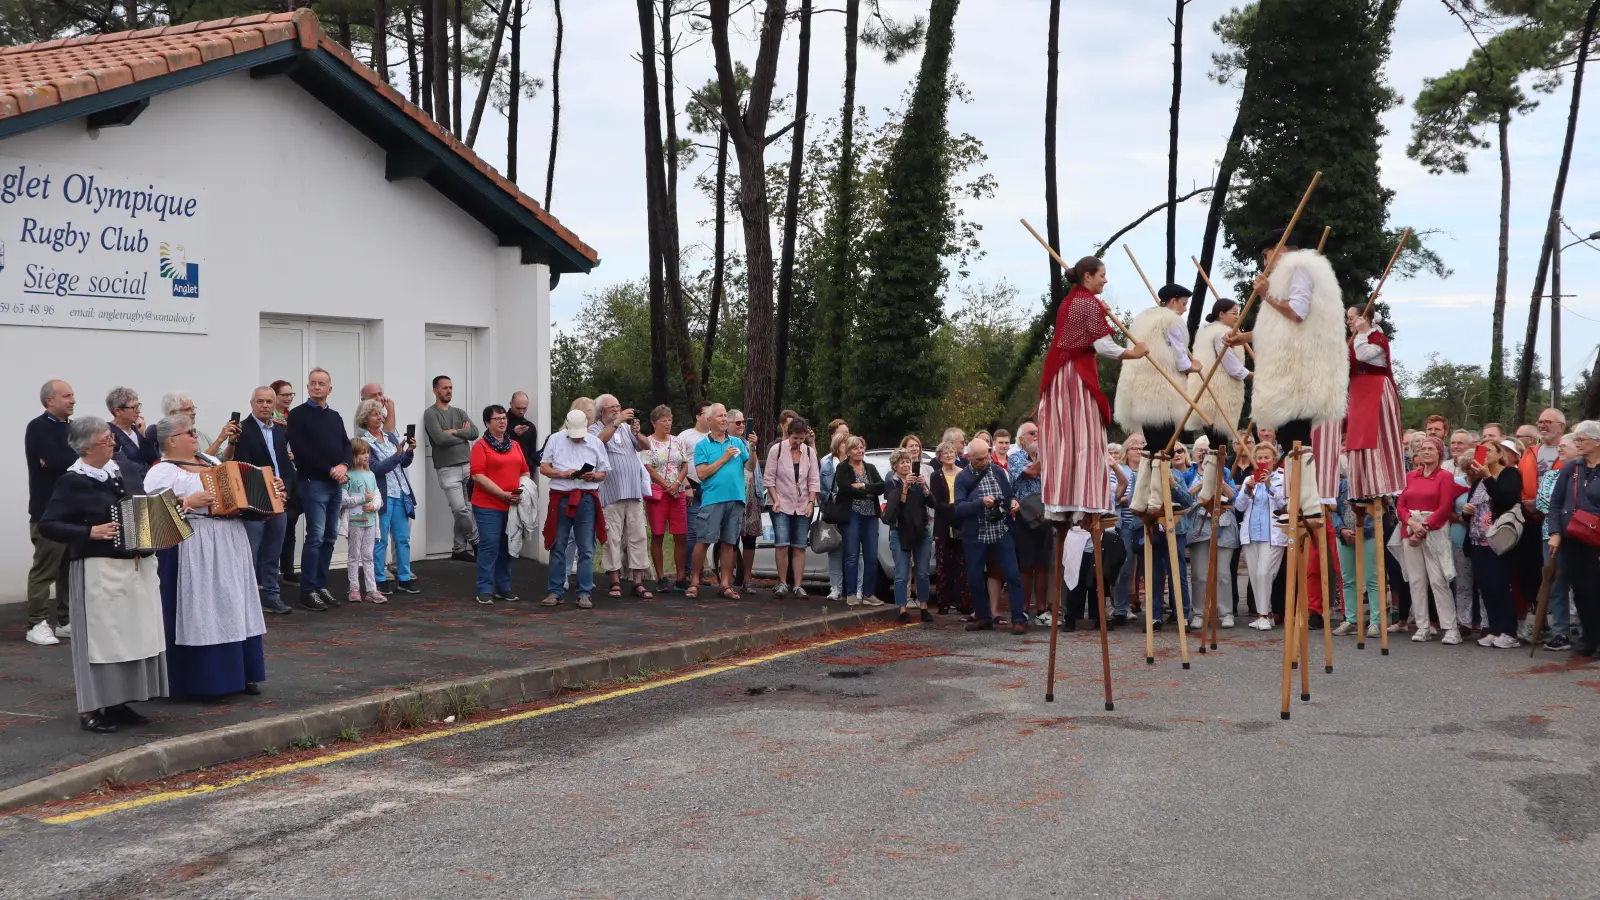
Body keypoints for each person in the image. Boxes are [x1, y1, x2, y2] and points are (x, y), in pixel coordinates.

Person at [39, 417, 168, 733]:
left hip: (134, 565)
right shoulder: (72, 481)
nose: (113, 442)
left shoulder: (122, 468)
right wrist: (89, 531)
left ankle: (119, 702)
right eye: (106, 439)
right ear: (86, 447)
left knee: (130, 635)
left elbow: (141, 505)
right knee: (101, 639)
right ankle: (91, 708)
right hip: (99, 569)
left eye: (111, 438)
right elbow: (48, 525)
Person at [146, 414, 272, 698]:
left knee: (234, 603)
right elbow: (152, 518)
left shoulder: (212, 462)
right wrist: (190, 502)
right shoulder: (162, 471)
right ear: (171, 440)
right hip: (196, 542)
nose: (195, 435)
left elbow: (240, 493)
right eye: (189, 432)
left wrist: (266, 497)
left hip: (230, 540)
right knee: (202, 607)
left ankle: (241, 674)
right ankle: (204, 680)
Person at [1228, 229, 1349, 519]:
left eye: (1266, 254)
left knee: (1297, 437)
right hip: (1296, 363)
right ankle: (1298, 501)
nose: (1264, 261)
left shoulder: (1297, 269)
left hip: (1299, 366)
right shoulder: (1299, 271)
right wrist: (1243, 338)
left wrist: (1265, 294)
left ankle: (1304, 503)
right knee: (1292, 436)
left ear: (1278, 250)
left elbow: (1297, 312)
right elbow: (1281, 328)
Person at [1039, 257, 1148, 525]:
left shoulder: (1073, 300)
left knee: (1066, 438)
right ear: (1087, 276)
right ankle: (1082, 502)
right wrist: (1133, 353)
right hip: (1075, 375)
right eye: (1102, 275)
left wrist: (1099, 309)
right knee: (1084, 437)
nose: (1105, 280)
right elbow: (1103, 345)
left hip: (1063, 374)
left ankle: (1062, 501)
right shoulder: (1086, 302)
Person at [1115, 283, 1194, 515]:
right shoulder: (1171, 321)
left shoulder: (1142, 320)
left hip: (1139, 395)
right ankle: (1157, 499)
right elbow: (1181, 359)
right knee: (1164, 450)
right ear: (1172, 301)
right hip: (1163, 395)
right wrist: (1194, 367)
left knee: (1152, 448)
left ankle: (1141, 499)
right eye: (1183, 304)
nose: (1184, 310)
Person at [286, 368, 351, 612]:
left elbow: (345, 443)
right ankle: (308, 590)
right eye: (312, 383)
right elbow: (301, 450)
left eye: (321, 383)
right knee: (315, 536)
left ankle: (321, 585)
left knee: (330, 537)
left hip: (335, 484)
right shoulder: (298, 415)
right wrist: (329, 469)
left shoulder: (334, 416)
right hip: (313, 483)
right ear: (307, 387)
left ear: (329, 389)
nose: (316, 387)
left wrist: (344, 465)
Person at [232, 387, 297, 615]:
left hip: (278, 501)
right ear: (252, 404)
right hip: (254, 502)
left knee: (273, 552)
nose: (265, 406)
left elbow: (286, 467)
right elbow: (241, 466)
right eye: (260, 401)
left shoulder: (279, 432)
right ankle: (246, 602)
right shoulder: (244, 431)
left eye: (269, 401)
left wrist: (285, 487)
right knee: (249, 554)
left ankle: (271, 596)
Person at [1396, 435, 1466, 643]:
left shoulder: (1445, 477)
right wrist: (1412, 524)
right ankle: (1422, 626)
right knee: (1417, 581)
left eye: (1431, 449)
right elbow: (1400, 505)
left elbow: (1445, 507)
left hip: (1434, 530)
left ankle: (1450, 628)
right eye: (1423, 448)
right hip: (1410, 530)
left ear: (1439, 453)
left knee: (1438, 579)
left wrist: (1423, 528)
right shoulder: (1410, 476)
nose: (1426, 452)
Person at [954, 438, 1027, 634]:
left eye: (986, 457)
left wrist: (1013, 503)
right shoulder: (963, 478)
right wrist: (980, 503)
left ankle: (1019, 618)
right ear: (969, 457)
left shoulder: (996, 471)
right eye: (979, 459)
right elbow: (959, 508)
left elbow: (1010, 494)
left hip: (1001, 530)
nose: (984, 462)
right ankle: (983, 616)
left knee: (1012, 574)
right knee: (975, 577)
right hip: (976, 535)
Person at [24, 379, 77, 646]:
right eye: (66, 396)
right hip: (47, 511)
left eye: (73, 395)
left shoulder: (72, 428)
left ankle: (65, 621)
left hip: (72, 511)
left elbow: (70, 459)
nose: (73, 400)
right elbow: (57, 460)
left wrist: (68, 459)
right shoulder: (38, 427)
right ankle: (36, 623)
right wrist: (74, 458)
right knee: (45, 569)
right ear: (49, 401)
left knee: (69, 568)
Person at [540, 410, 609, 607]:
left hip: (586, 497)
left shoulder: (595, 442)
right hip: (561, 496)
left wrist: (592, 476)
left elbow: (603, 472)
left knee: (586, 547)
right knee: (558, 544)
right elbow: (544, 467)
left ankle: (584, 592)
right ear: (567, 426)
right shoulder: (555, 439)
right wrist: (564, 474)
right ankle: (555, 590)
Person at [1186, 298, 1250, 503]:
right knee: (1218, 444)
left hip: (1206, 394)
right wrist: (1253, 375)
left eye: (1238, 312)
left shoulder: (1205, 333)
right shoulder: (1221, 334)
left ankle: (1209, 491)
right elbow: (1232, 366)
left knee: (1216, 444)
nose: (1237, 316)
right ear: (1221, 315)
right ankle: (1208, 491)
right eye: (1233, 312)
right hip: (1217, 395)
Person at [591, 395, 653, 601]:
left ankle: (637, 581)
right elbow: (598, 443)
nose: (617, 410)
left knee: (638, 537)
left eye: (619, 406)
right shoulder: (595, 429)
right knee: (612, 539)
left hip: (633, 493)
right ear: (601, 411)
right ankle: (615, 580)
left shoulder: (626, 429)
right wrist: (617, 423)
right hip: (611, 494)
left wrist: (638, 432)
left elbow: (646, 446)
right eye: (612, 408)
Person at [1546, 420, 1600, 658]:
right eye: (1575, 440)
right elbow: (1555, 503)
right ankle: (1588, 638)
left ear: (1597, 442)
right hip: (1573, 538)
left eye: (1581, 440)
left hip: (1597, 539)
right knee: (1581, 590)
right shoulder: (1572, 468)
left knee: (1596, 589)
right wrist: (1555, 533)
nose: (1576, 444)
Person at [468, 405, 532, 605]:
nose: (503, 421)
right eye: (497, 419)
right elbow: (478, 476)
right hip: (488, 505)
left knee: (507, 546)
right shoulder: (480, 447)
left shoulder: (514, 445)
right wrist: (502, 494)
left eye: (504, 418)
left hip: (511, 505)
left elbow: (524, 471)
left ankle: (504, 587)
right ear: (487, 422)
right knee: (489, 546)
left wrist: (521, 490)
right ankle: (485, 589)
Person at [1463, 439, 1524, 647]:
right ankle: (1495, 629)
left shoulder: (1510, 474)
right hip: (1477, 540)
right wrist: (1465, 511)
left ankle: (1509, 632)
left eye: (1489, 450)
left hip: (1499, 540)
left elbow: (1505, 501)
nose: (1485, 453)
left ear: (1500, 454)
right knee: (1486, 587)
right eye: (1481, 450)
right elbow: (1473, 510)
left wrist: (1489, 477)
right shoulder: (1477, 479)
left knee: (1499, 585)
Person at [1343, 306, 1406, 505]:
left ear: (1364, 318)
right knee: (1358, 438)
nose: (1349, 322)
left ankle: (1381, 486)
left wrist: (1362, 332)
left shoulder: (1377, 338)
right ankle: (1364, 487)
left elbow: (1363, 356)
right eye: (1348, 319)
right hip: (1358, 391)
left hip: (1376, 389)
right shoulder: (1350, 342)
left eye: (1352, 318)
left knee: (1376, 438)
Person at [356, 398, 419, 596]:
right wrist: (396, 456)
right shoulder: (365, 442)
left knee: (403, 539)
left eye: (381, 413)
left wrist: (408, 453)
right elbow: (375, 469)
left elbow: (402, 464)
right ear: (366, 418)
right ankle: (380, 579)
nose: (381, 417)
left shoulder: (390, 437)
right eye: (375, 414)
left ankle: (405, 578)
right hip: (381, 496)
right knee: (380, 540)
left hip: (400, 492)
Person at [688, 404, 748, 600]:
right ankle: (695, 581)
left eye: (725, 415)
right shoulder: (702, 446)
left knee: (729, 543)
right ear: (709, 420)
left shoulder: (738, 443)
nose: (724, 419)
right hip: (713, 499)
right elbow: (702, 473)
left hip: (736, 498)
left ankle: (725, 585)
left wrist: (753, 450)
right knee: (704, 540)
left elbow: (751, 465)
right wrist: (724, 458)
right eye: (720, 416)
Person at [422, 376, 480, 562]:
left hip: (468, 466)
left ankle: (459, 548)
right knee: (460, 510)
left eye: (451, 387)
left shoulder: (460, 412)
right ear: (435, 390)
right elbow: (439, 439)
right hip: (447, 469)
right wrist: (463, 435)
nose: (449, 391)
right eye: (445, 388)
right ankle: (479, 544)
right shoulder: (431, 414)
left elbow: (475, 432)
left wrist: (454, 432)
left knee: (467, 509)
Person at [766, 416, 820, 598]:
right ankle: (782, 582)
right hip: (781, 502)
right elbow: (769, 478)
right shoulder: (777, 450)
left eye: (801, 438)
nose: (798, 442)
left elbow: (814, 480)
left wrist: (811, 502)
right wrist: (776, 500)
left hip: (803, 503)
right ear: (789, 435)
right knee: (782, 543)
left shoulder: (809, 452)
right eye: (795, 438)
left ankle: (798, 585)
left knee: (799, 545)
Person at [1235, 443, 1288, 630]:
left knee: (1265, 573)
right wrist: (1248, 490)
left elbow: (1285, 504)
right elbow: (1239, 507)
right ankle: (1263, 614)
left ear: (1274, 460)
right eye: (1260, 458)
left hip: (1272, 535)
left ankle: (1265, 615)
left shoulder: (1282, 479)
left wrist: (1269, 486)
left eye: (1267, 458)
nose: (1263, 461)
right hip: (1251, 534)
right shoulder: (1250, 479)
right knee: (1255, 575)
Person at [1535, 433, 1579, 650]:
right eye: (1558, 446)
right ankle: (1561, 632)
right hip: (1550, 536)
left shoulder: (1587, 474)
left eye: (1565, 446)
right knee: (1557, 585)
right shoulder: (1550, 476)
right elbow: (1543, 502)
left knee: (1583, 585)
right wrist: (1568, 518)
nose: (1559, 449)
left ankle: (1585, 629)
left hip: (1581, 536)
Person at [1185, 453, 1238, 629]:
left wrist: (1219, 480)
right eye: (1201, 450)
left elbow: (1234, 497)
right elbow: (1183, 497)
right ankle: (1200, 613)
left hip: (1222, 525)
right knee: (1199, 574)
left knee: (1223, 573)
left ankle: (1226, 613)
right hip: (1198, 526)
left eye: (1208, 450)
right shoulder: (1189, 474)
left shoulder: (1224, 471)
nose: (1204, 454)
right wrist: (1201, 484)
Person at [1008, 422, 1051, 625]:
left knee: (1043, 565)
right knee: (1025, 565)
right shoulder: (1016, 456)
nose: (1036, 435)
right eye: (1032, 433)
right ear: (1022, 438)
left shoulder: (1045, 457)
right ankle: (1024, 610)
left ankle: (1042, 611)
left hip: (1046, 516)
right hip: (1025, 518)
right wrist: (1048, 454)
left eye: (1038, 432)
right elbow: (1032, 472)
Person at [644, 405, 691, 593]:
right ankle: (661, 577)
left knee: (680, 534)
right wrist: (666, 485)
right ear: (655, 423)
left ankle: (680, 577)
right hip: (658, 493)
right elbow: (648, 468)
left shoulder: (678, 441)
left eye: (670, 420)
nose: (668, 423)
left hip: (677, 493)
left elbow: (685, 464)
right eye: (664, 420)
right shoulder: (647, 443)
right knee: (658, 534)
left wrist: (678, 483)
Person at [883, 448, 934, 623]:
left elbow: (933, 503)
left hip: (921, 531)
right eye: (902, 462)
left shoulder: (918, 481)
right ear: (895, 466)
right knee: (902, 574)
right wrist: (904, 487)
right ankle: (902, 609)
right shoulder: (892, 482)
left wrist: (923, 487)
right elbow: (893, 510)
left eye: (908, 462)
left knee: (922, 573)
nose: (905, 465)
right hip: (900, 531)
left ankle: (924, 607)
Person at [835, 436, 886, 607]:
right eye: (856, 448)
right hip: (852, 514)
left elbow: (881, 486)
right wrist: (867, 492)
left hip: (871, 515)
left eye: (862, 447)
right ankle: (851, 593)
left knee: (871, 556)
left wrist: (863, 486)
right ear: (849, 451)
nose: (860, 451)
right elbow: (845, 489)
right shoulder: (843, 468)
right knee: (852, 555)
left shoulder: (870, 468)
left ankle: (868, 593)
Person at [1333, 469, 1381, 637]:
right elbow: (1334, 510)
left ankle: (1376, 621)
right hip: (1345, 536)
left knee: (1372, 579)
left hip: (1368, 535)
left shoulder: (1375, 484)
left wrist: (1361, 529)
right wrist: (1342, 529)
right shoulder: (1343, 485)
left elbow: (1377, 510)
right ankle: (1351, 620)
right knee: (1348, 579)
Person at [928, 438, 971, 615]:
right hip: (944, 525)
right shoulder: (935, 475)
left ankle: (965, 603)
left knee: (963, 566)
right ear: (939, 457)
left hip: (962, 524)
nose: (949, 455)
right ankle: (944, 603)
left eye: (951, 452)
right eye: (945, 453)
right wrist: (954, 508)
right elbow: (936, 502)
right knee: (943, 567)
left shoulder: (964, 472)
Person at [341, 437, 385, 604]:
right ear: (353, 455)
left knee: (368, 556)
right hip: (354, 522)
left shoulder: (371, 475)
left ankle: (371, 589)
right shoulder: (348, 476)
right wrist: (361, 500)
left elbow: (377, 495)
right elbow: (344, 499)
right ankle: (354, 588)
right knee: (354, 556)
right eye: (362, 453)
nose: (366, 456)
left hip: (370, 521)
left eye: (367, 452)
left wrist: (373, 506)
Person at [677, 401, 714, 589]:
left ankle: (698, 572)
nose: (710, 417)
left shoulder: (714, 437)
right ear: (698, 416)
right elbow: (678, 463)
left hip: (710, 488)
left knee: (704, 532)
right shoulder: (686, 436)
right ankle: (688, 572)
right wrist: (685, 485)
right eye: (707, 413)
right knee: (691, 532)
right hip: (691, 486)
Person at [728, 410, 766, 592]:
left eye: (743, 422)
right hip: (734, 495)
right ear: (727, 424)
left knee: (750, 539)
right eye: (737, 423)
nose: (742, 425)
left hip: (751, 495)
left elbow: (754, 469)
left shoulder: (746, 443)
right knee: (731, 539)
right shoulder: (727, 444)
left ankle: (747, 579)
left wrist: (753, 448)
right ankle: (733, 577)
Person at [1112, 433, 1146, 625]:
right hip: (1124, 524)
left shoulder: (1147, 469)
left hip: (1143, 523)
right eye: (1134, 448)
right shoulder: (1120, 470)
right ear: (1126, 450)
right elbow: (1114, 496)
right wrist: (1126, 499)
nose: (1138, 452)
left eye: (1141, 448)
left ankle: (1152, 610)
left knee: (1148, 569)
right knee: (1124, 568)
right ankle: (1120, 609)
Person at [270, 380, 302, 584]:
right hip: (275, 475)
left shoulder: (294, 418)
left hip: (294, 474)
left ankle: (288, 568)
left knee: (291, 522)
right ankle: (269, 571)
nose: (289, 398)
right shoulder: (269, 420)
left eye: (291, 394)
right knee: (275, 525)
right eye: (284, 395)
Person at [820, 429, 855, 601]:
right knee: (834, 550)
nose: (847, 446)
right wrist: (829, 496)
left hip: (851, 510)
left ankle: (852, 589)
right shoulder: (826, 464)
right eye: (844, 443)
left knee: (852, 551)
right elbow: (819, 488)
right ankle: (835, 587)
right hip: (834, 511)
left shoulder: (855, 464)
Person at [105, 387, 157, 484]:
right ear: (117, 411)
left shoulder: (137, 429)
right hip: (131, 484)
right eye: (133, 407)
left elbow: (153, 459)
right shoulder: (109, 433)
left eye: (138, 406)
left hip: (149, 481)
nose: (138, 411)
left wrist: (144, 436)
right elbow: (125, 464)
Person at [507, 391, 541, 469]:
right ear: (511, 404)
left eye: (524, 408)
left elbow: (532, 453)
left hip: (525, 472)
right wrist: (512, 433)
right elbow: (492, 441)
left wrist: (530, 468)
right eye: (518, 408)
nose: (521, 411)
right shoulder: (501, 422)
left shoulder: (530, 426)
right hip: (506, 469)